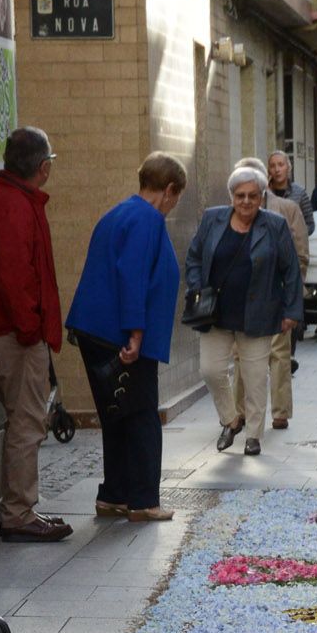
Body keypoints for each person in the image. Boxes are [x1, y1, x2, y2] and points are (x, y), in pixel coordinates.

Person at [67, 152, 187, 525]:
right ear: (168, 190)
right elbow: (131, 275)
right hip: (122, 335)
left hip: (96, 329)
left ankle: (114, 495)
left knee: (117, 415)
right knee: (142, 417)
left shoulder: (117, 213)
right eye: (176, 197)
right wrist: (135, 333)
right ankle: (143, 500)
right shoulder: (147, 218)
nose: (172, 206)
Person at [0, 127, 70, 544]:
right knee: (28, 422)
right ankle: (18, 513)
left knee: (24, 420)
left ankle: (19, 509)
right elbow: (17, 279)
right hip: (14, 335)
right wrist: (32, 332)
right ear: (43, 167)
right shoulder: (13, 207)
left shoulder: (6, 202)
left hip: (3, 331)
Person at [185, 166, 304, 456]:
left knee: (254, 377)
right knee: (211, 370)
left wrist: (291, 310)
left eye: (253, 195)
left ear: (262, 196)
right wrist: (198, 286)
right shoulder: (213, 219)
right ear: (231, 196)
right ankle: (230, 419)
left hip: (258, 312)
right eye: (240, 196)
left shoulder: (274, 225)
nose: (247, 201)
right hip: (215, 313)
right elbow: (194, 257)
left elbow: (291, 270)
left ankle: (253, 435)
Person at [230, 156, 309, 433]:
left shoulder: (287, 209)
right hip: (242, 299)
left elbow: (300, 255)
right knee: (241, 354)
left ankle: (280, 411)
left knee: (278, 354)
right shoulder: (230, 214)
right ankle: (239, 412)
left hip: (275, 294)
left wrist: (292, 300)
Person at [267, 152, 314, 234]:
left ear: (288, 168)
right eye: (272, 166)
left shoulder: (300, 193)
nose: (277, 170)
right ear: (268, 171)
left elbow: (310, 224)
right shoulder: (263, 193)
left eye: (281, 165)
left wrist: (295, 234)